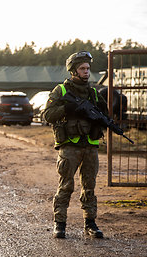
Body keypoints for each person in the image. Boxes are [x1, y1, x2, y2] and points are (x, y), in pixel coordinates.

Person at [42, 51, 107, 239]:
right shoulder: (61, 91)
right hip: (69, 146)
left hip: (90, 146)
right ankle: (59, 224)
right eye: (82, 68)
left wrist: (98, 117)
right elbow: (47, 115)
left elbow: (106, 116)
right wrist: (67, 108)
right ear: (73, 71)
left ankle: (90, 223)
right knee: (66, 186)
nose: (87, 72)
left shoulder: (94, 92)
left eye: (88, 68)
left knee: (90, 187)